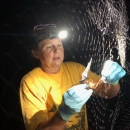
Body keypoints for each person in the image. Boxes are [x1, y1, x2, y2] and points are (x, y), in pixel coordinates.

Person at [19, 24, 126, 130]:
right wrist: (63, 113)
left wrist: (113, 81)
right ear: (36, 53)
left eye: (59, 45)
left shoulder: (75, 69)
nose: (57, 50)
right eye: (49, 47)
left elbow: (107, 93)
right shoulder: (30, 82)